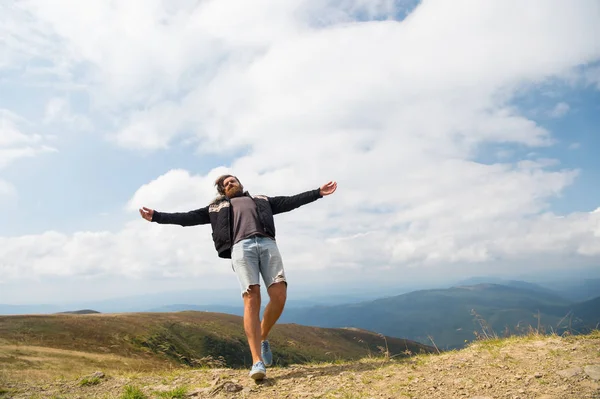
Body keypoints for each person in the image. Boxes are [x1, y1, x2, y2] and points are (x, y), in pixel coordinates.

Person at [139, 175, 337, 380]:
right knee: (252, 297)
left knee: (279, 295)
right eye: (226, 184)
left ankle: (263, 336)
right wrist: (157, 216)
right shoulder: (216, 209)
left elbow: (289, 201)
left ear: (240, 184)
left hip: (268, 243)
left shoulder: (261, 199)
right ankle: (257, 362)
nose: (230, 184)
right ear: (223, 191)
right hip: (241, 248)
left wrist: (318, 193)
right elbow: (186, 218)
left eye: (233, 181)